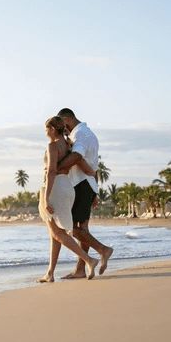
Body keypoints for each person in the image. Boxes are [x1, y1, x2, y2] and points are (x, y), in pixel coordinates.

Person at [39, 116, 100, 281]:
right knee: (55, 233)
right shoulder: (68, 144)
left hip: (54, 187)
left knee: (57, 232)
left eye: (46, 129)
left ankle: (90, 260)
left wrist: (45, 198)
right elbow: (85, 165)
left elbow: (51, 171)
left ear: (52, 129)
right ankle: (50, 273)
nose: (45, 133)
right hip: (66, 186)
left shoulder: (52, 145)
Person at [55, 108, 114, 278]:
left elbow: (77, 156)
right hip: (87, 184)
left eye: (62, 124)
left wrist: (55, 169)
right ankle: (80, 269)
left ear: (67, 119)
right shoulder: (87, 133)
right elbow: (91, 164)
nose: (61, 128)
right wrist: (95, 190)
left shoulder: (80, 135)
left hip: (81, 184)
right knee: (83, 229)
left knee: (70, 227)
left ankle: (103, 250)